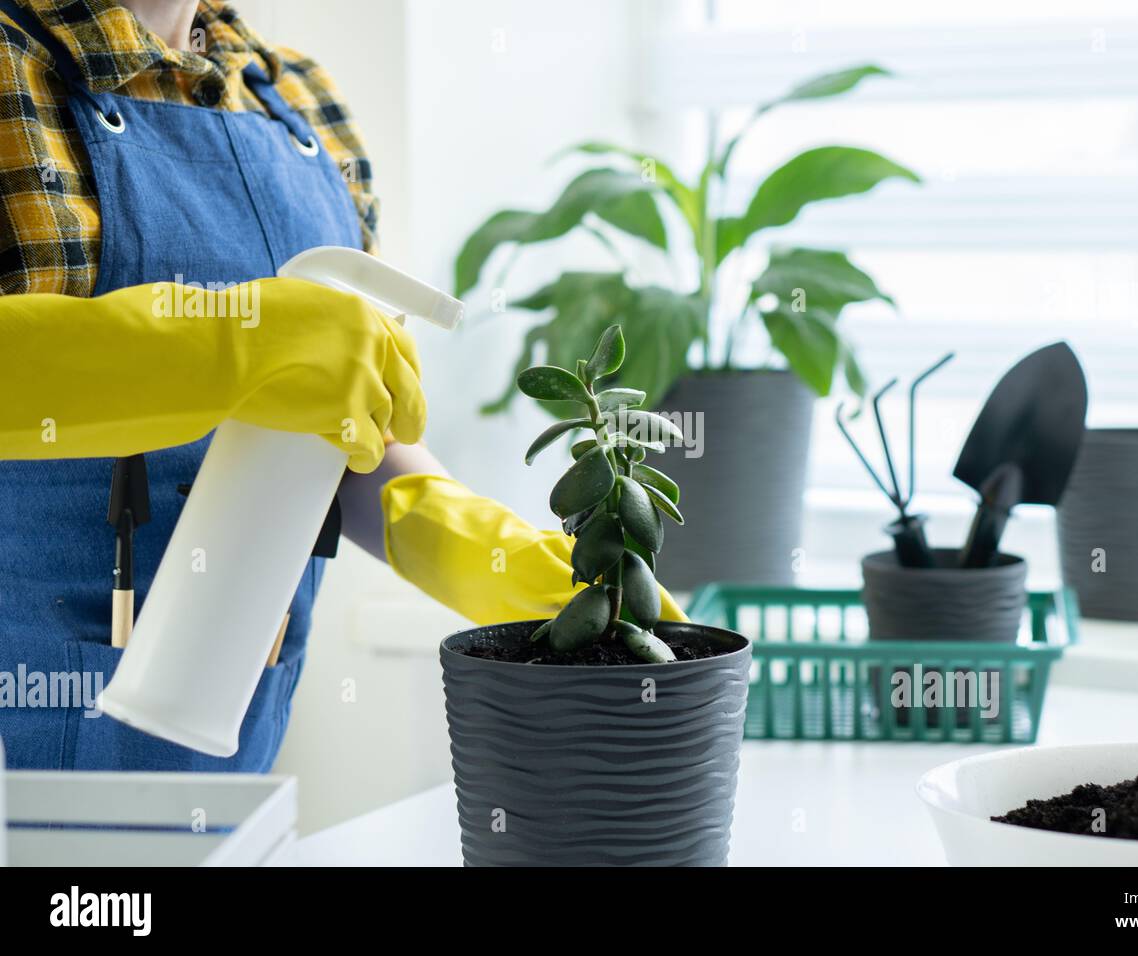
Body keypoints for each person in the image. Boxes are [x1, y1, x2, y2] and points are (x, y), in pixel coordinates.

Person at [0, 0, 682, 772]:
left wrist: (472, 545)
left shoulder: (298, 99)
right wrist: (228, 345)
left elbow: (344, 430)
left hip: (230, 765)